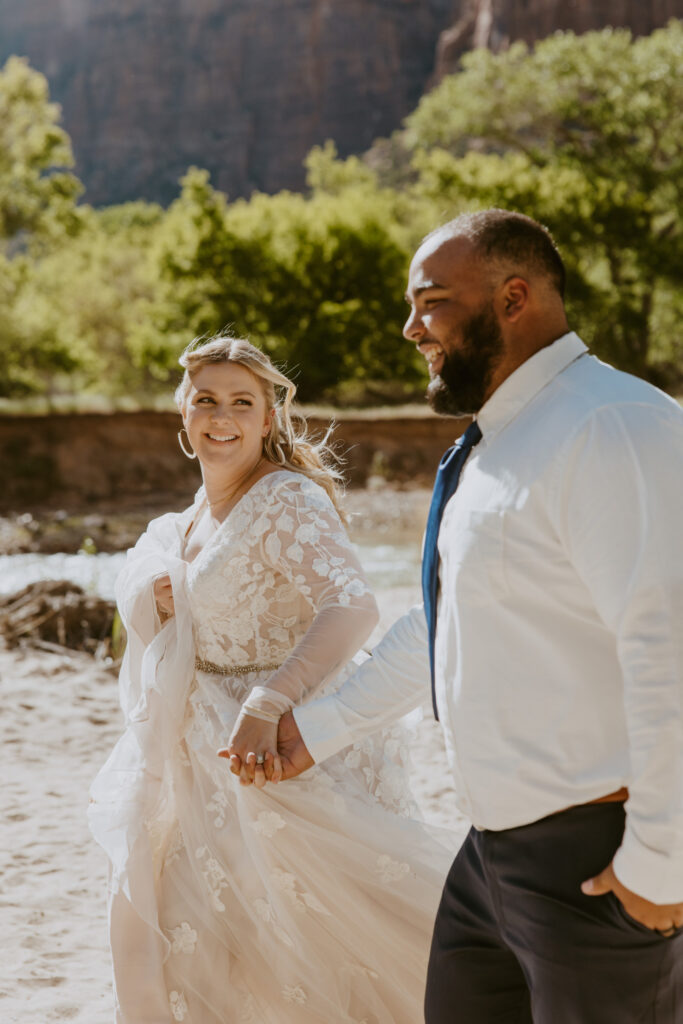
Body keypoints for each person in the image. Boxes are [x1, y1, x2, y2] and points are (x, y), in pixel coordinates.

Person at [264, 210, 683, 1023]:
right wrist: (318, 731)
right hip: (491, 853)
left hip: (600, 858)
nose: (408, 327)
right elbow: (445, 624)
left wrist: (662, 864)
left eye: (431, 303)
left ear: (513, 298)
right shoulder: (500, 442)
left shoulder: (612, 426)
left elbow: (668, 645)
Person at [88, 334, 457, 1024]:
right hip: (196, 750)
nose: (220, 416)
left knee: (324, 936)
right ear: (184, 416)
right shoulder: (188, 519)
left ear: (268, 419)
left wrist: (269, 699)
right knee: (210, 936)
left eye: (240, 402)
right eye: (206, 400)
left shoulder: (287, 499)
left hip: (278, 746)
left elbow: (353, 606)